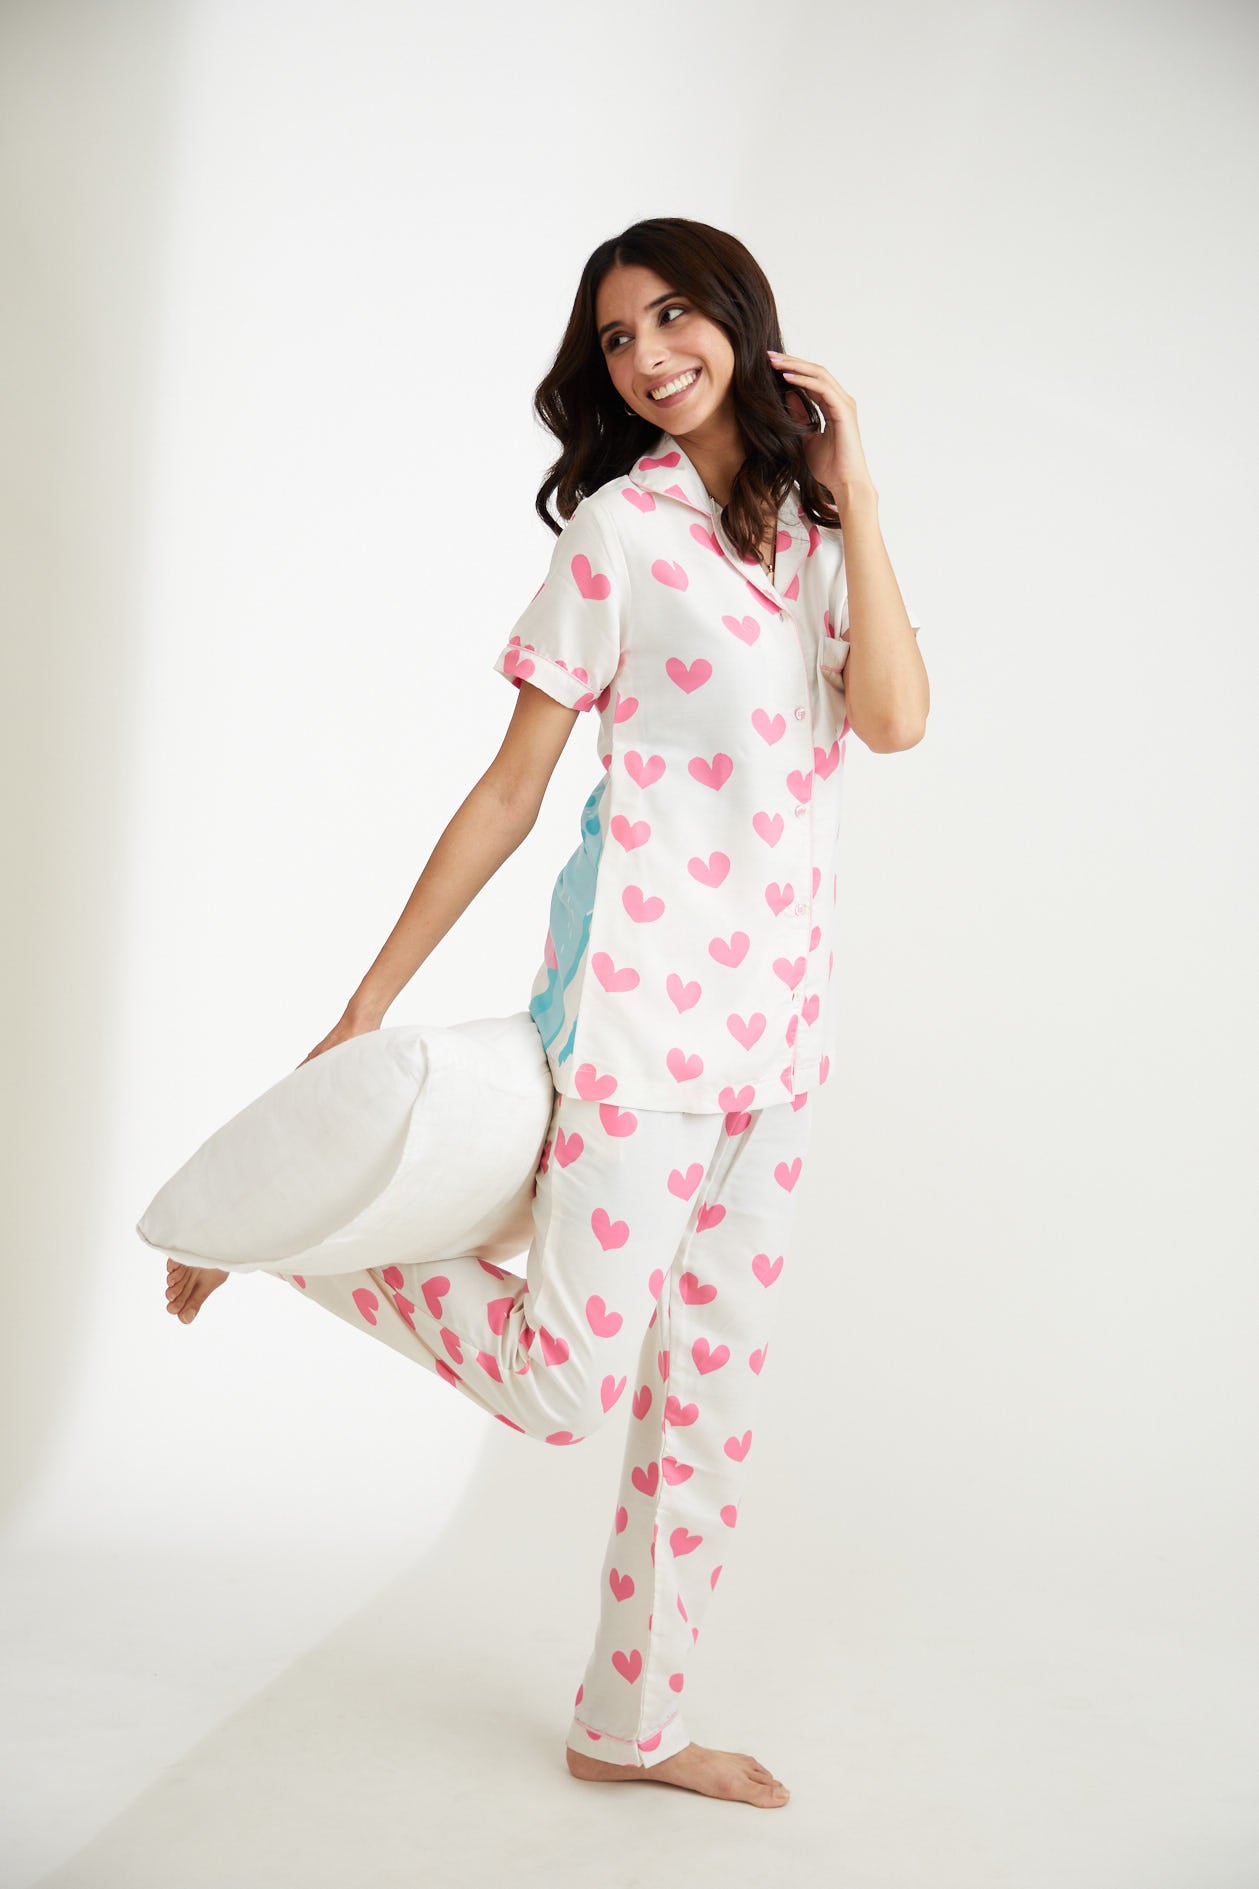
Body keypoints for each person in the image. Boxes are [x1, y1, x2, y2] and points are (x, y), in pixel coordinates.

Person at [164, 215, 930, 1809]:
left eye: (671, 317)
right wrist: (366, 1000)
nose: (647, 357)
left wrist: (857, 487)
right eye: (616, 339)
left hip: (778, 1043)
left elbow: (895, 717)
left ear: (739, 318)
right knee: (567, 1384)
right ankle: (289, 1229)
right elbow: (513, 789)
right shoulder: (618, 536)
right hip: (638, 1028)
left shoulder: (810, 530)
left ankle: (628, 1725)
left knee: (707, 1402)